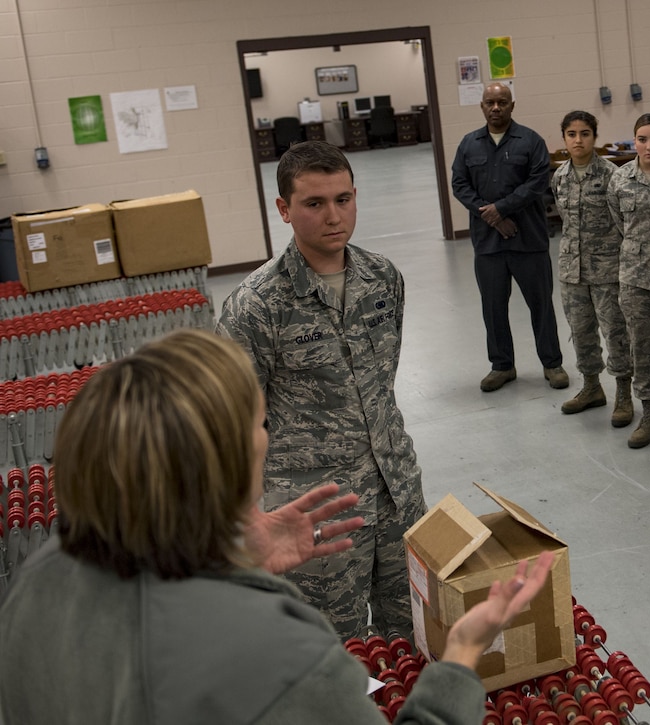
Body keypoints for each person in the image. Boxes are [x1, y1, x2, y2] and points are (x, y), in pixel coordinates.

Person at [0, 329, 556, 724]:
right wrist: (459, 659)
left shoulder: (41, 577)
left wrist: (227, 562)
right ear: (228, 461)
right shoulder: (277, 657)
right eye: (258, 422)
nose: (266, 435)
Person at [217, 140, 425, 641]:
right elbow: (235, 423)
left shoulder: (382, 278)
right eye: (314, 204)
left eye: (343, 199)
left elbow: (382, 384)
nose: (334, 216)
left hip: (396, 489)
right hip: (318, 511)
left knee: (415, 633)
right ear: (284, 210)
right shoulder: (256, 306)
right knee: (337, 650)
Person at [451, 82, 568, 393]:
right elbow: (460, 185)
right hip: (488, 244)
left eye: (502, 102)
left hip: (528, 240)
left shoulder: (531, 141)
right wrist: (489, 215)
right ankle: (502, 366)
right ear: (482, 106)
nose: (496, 108)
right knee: (493, 307)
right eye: (490, 102)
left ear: (512, 105)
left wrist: (500, 210)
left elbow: (537, 182)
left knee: (541, 305)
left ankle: (552, 363)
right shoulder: (468, 144)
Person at [551, 110, 634, 426]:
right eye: (571, 134)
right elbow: (566, 220)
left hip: (607, 269)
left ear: (594, 137)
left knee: (615, 332)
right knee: (580, 331)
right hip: (572, 270)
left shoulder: (613, 175)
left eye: (584, 133)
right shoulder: (559, 177)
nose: (578, 140)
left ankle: (624, 393)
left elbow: (623, 221)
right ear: (564, 139)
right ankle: (591, 387)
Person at [607, 113, 650, 448]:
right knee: (643, 349)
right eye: (642, 139)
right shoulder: (620, 180)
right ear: (634, 141)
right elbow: (619, 223)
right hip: (635, 279)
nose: (649, 146)